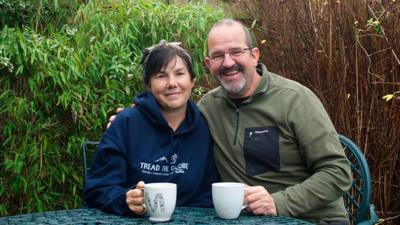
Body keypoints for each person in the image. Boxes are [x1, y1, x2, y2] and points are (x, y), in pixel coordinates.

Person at [108, 19, 352, 224]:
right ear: (208, 64)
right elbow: (167, 117)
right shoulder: (207, 108)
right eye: (218, 56)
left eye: (236, 52)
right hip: (245, 219)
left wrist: (278, 202)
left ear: (254, 55)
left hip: (312, 218)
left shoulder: (295, 100)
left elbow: (338, 171)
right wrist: (132, 118)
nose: (228, 62)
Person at [84, 41, 220, 217]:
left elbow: (209, 192)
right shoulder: (126, 123)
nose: (172, 83)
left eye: (179, 74)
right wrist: (125, 199)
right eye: (161, 76)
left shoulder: (204, 125)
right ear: (148, 85)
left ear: (192, 81)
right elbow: (98, 189)